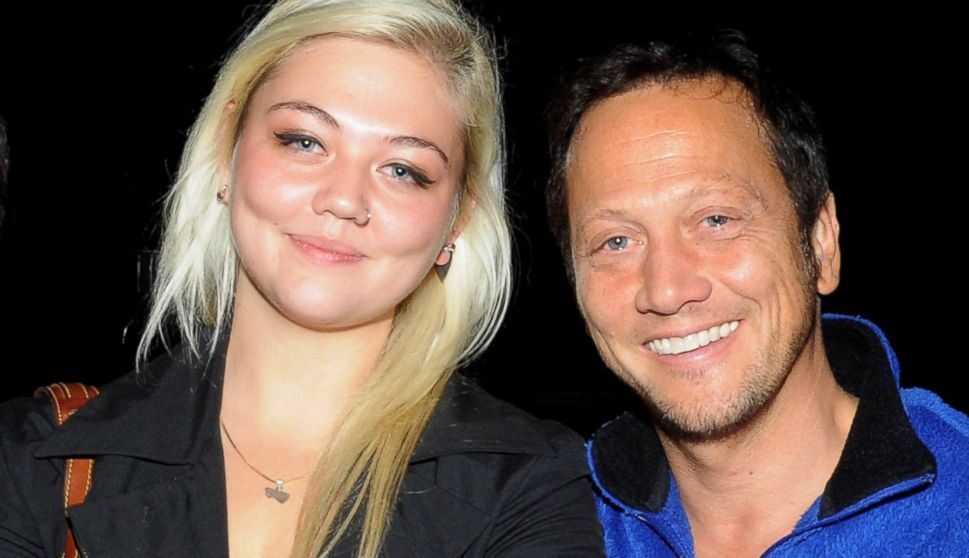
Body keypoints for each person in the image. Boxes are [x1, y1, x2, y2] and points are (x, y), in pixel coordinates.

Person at [0, 1, 605, 556]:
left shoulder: (531, 487)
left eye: (403, 169)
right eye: (304, 140)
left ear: (458, 218)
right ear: (225, 150)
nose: (344, 199)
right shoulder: (32, 461)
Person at [545, 30, 969, 557]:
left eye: (716, 220)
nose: (665, 289)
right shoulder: (546, 519)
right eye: (615, 241)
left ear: (821, 242)